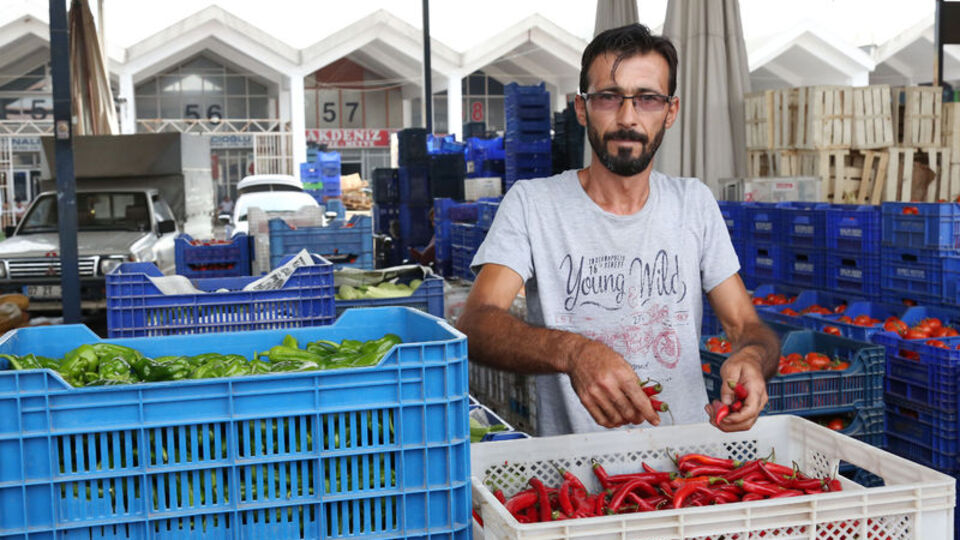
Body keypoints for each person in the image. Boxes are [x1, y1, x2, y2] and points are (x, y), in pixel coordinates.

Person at [456, 23, 780, 436]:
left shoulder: (693, 203)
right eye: (609, 97)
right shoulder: (534, 204)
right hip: (577, 483)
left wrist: (752, 358)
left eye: (647, 99)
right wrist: (572, 352)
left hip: (692, 466)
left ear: (671, 111)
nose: (627, 118)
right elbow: (477, 322)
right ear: (581, 107)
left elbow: (745, 326)